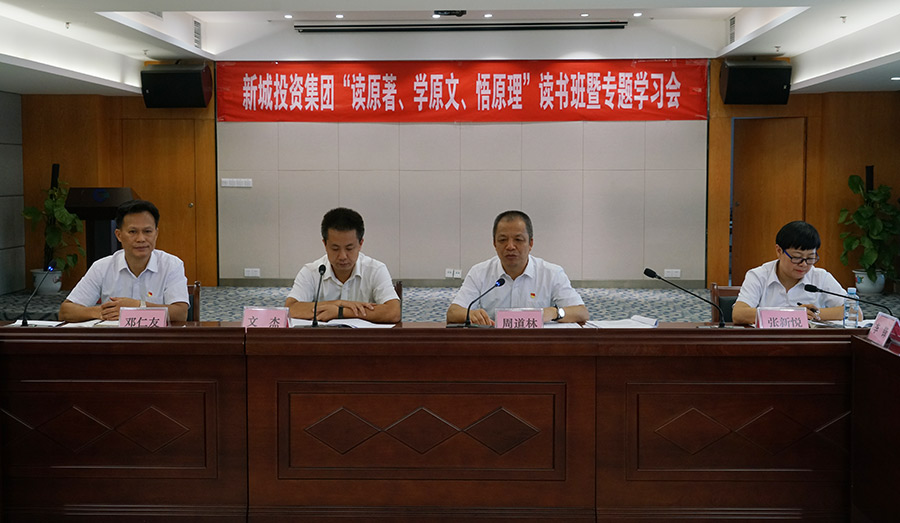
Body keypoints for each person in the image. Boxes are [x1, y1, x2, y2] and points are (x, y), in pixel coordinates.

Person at [447, 210, 588, 326]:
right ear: (494, 243)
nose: (510, 246)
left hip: (538, 346)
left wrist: (553, 312)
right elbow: (453, 312)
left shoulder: (551, 273)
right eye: (502, 240)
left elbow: (582, 313)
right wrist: (471, 314)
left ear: (530, 243)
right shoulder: (479, 273)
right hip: (494, 346)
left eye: (518, 240)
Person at [59, 200, 189, 322]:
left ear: (156, 234)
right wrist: (102, 312)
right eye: (133, 232)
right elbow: (66, 311)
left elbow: (180, 313)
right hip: (114, 338)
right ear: (119, 235)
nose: (141, 239)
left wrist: (138, 306)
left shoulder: (171, 265)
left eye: (147, 231)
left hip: (156, 337)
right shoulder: (102, 267)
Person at [285, 207, 401, 324]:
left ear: (360, 244)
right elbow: (290, 309)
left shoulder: (375, 270)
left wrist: (340, 312)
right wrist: (338, 303)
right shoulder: (311, 271)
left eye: (349, 248)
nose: (342, 256)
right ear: (325, 244)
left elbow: (394, 312)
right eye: (335, 248)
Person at [732, 220, 850, 325]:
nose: (804, 264)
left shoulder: (821, 277)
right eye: (797, 257)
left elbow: (854, 312)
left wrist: (810, 314)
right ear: (779, 251)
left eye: (810, 258)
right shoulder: (758, 275)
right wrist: (793, 314)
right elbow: (739, 314)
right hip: (768, 340)